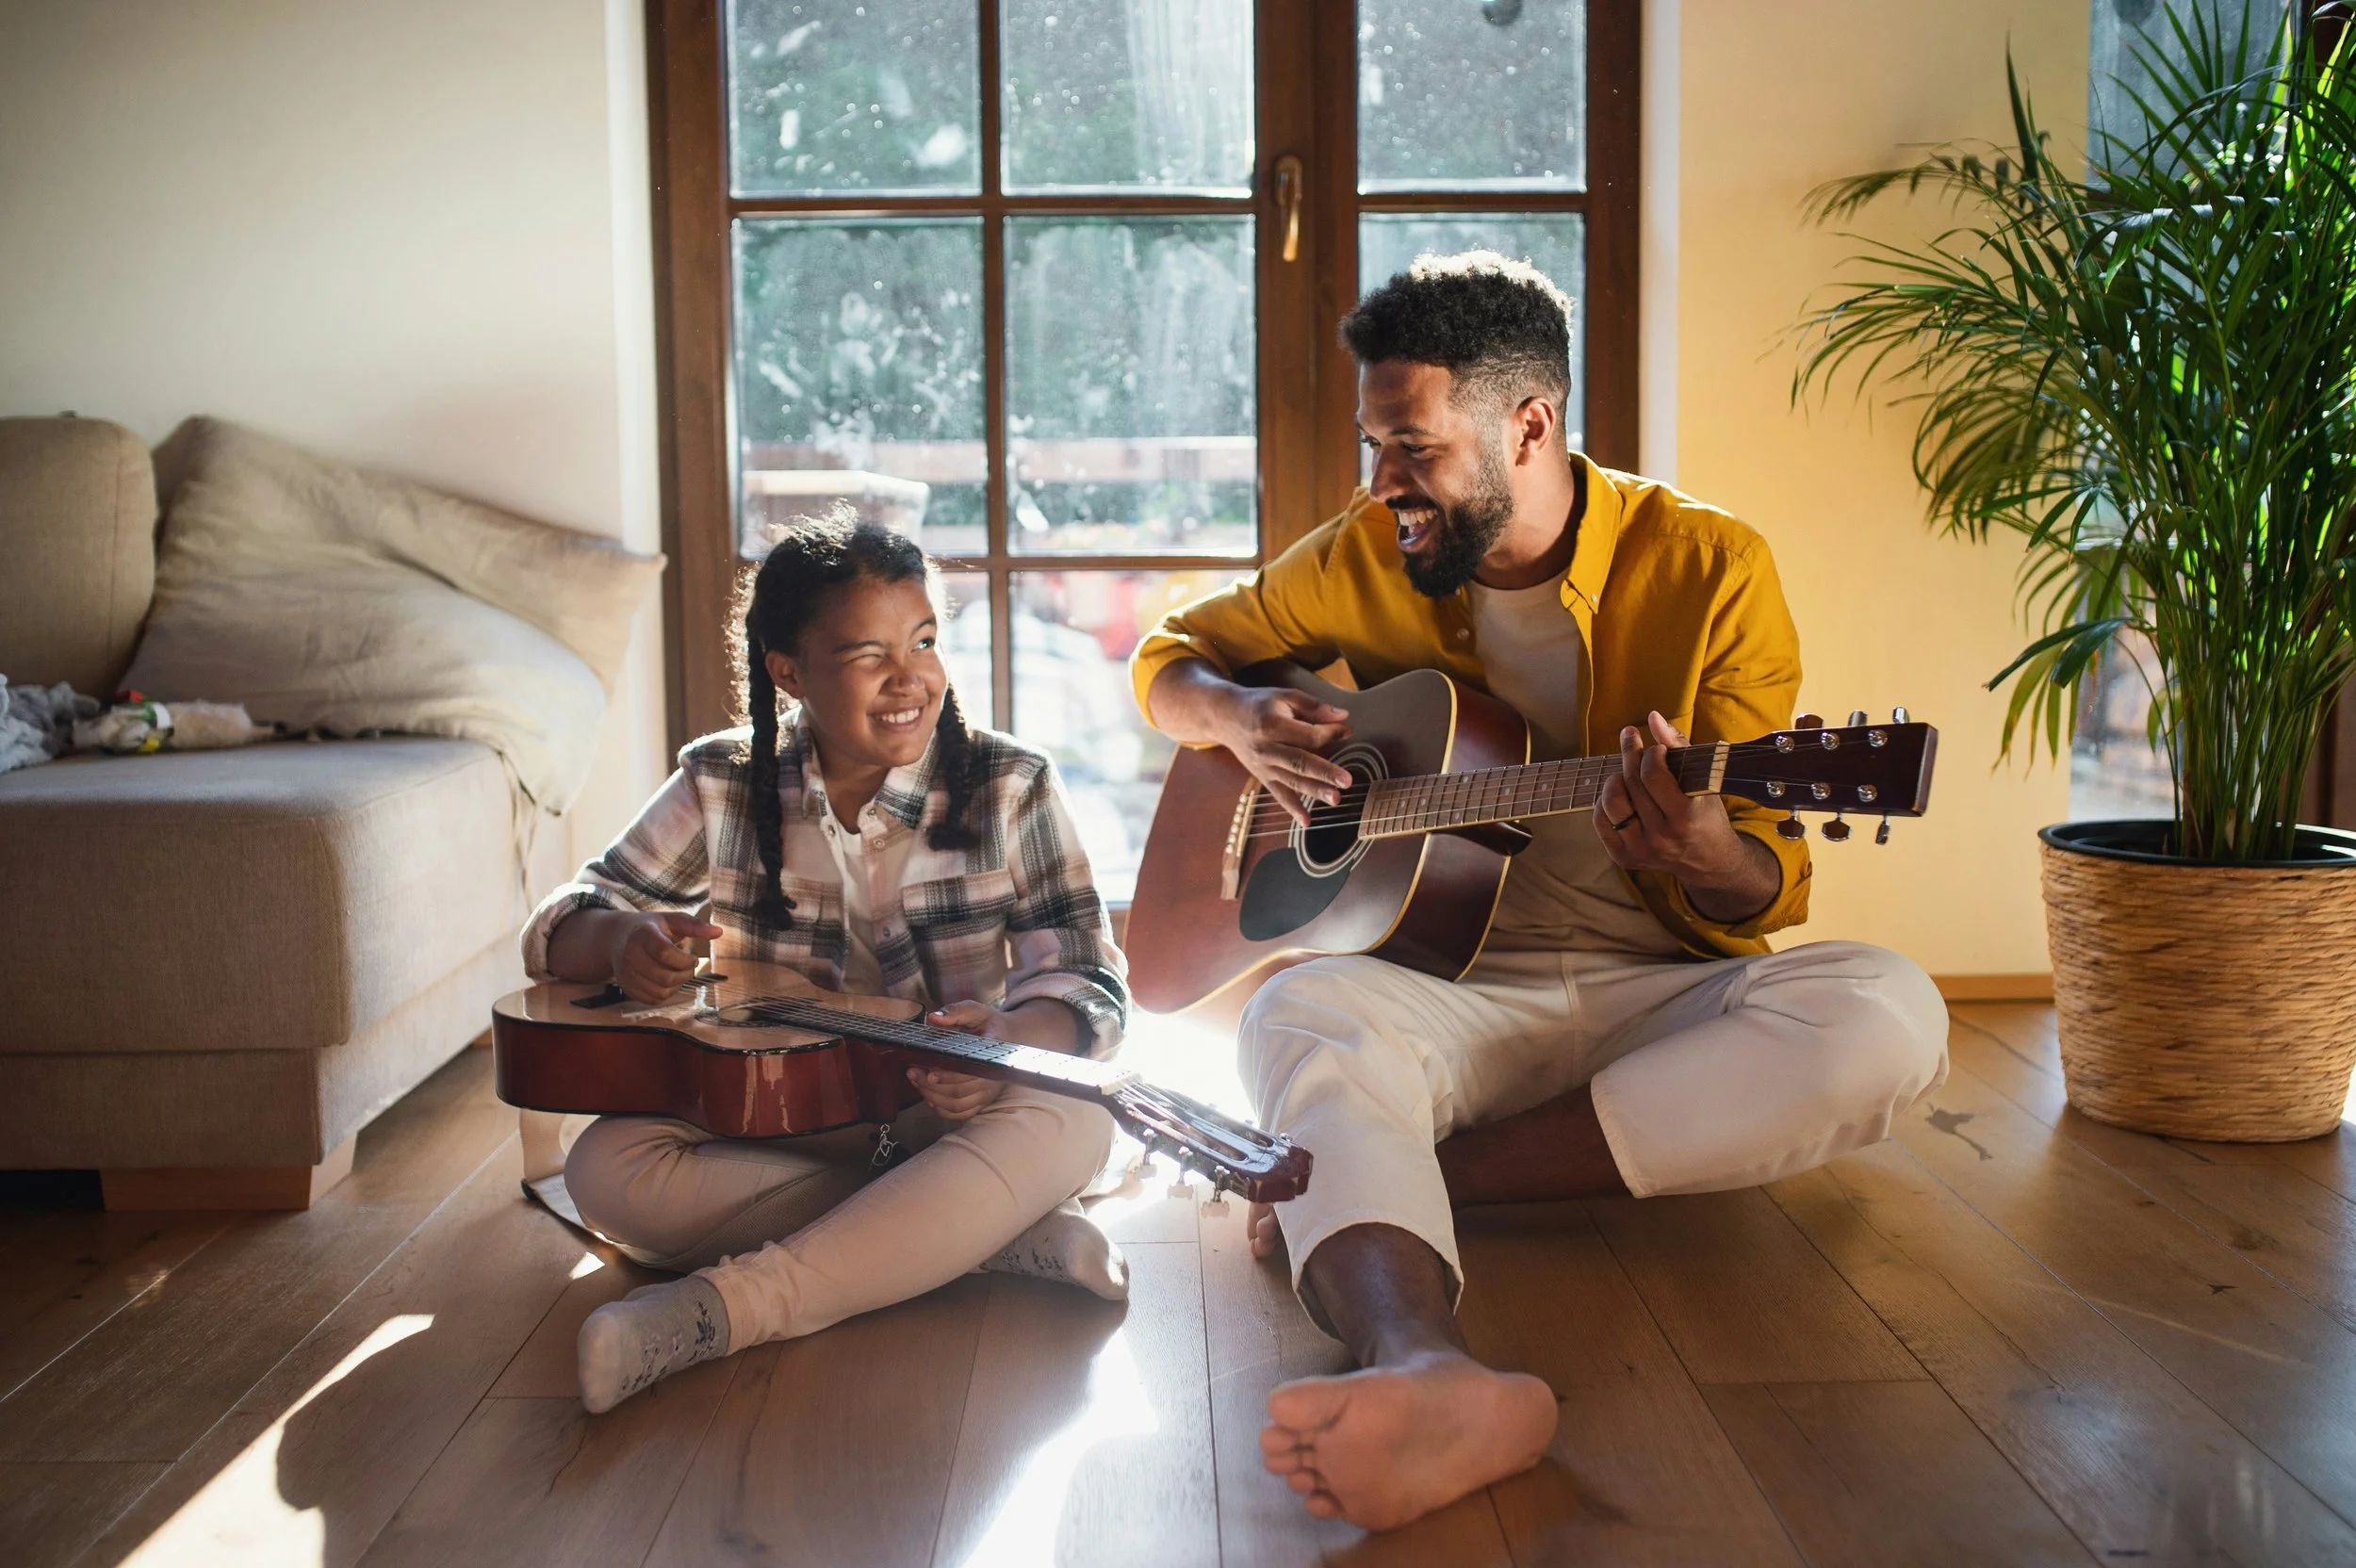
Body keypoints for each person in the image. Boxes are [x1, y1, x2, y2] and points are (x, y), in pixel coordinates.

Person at [1131, 253, 1949, 1529]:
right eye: (1373, 448)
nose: (1382, 487)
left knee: (1889, 1013)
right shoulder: (1357, 554)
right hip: (1445, 994)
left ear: (1530, 425)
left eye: (1414, 450)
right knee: (1291, 1015)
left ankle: (1413, 1175)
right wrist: (1237, 718)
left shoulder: (1711, 565)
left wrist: (1699, 850)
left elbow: (1762, 884)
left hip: (1659, 993)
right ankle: (1426, 1370)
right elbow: (1168, 658)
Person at [523, 509, 1130, 1414]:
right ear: (788, 673)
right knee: (604, 1168)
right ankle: (987, 1236)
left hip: (952, 1111)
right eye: (865, 655)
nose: (909, 677)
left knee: (1076, 1121)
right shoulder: (722, 780)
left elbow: (1087, 976)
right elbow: (562, 922)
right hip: (786, 1119)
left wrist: (1008, 1037)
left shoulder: (1012, 783)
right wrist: (621, 942)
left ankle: (720, 1313)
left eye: (923, 640)